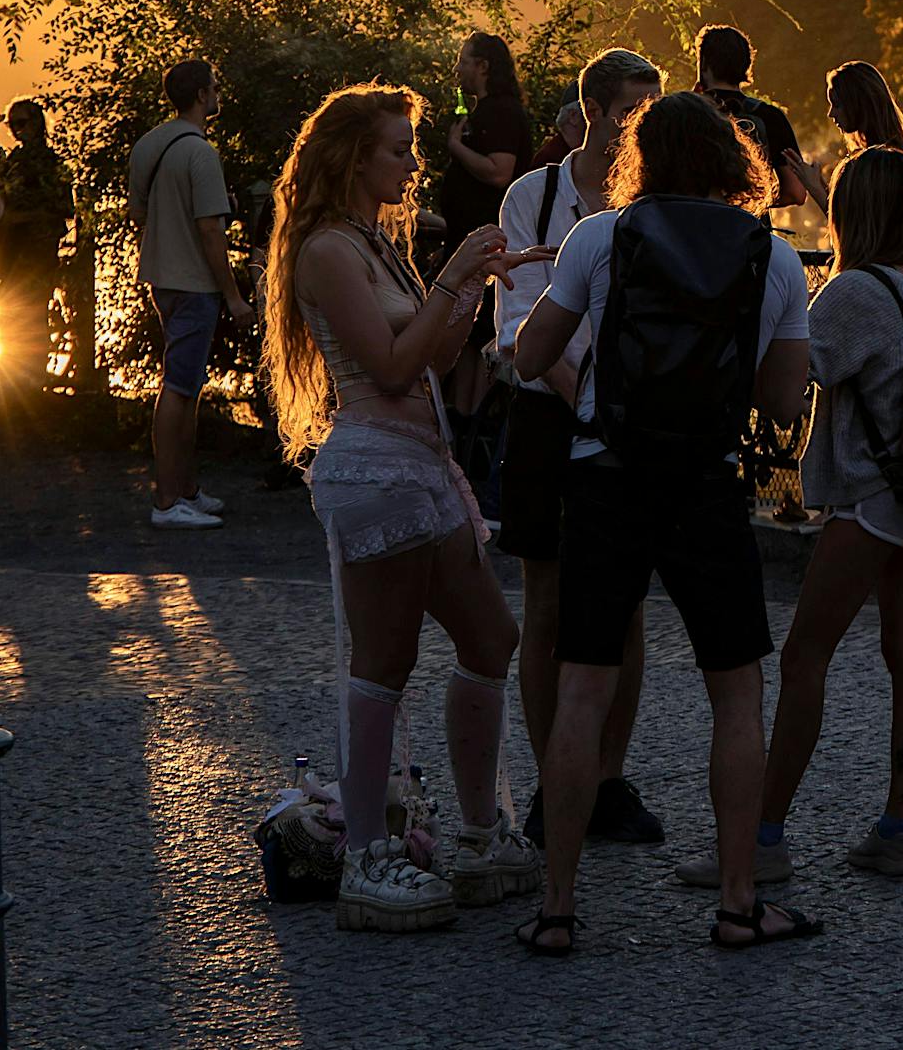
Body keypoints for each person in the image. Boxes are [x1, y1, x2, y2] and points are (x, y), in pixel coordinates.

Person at [512, 91, 819, 953]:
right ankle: (736, 904)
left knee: (582, 689)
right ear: (731, 158)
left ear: (636, 155)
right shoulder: (775, 257)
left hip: (605, 477)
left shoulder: (599, 237)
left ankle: (559, 909)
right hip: (706, 486)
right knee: (736, 694)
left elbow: (532, 358)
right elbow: (783, 403)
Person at [263, 83, 547, 931]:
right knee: (382, 663)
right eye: (399, 148)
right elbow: (389, 365)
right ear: (353, 156)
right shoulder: (326, 251)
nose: (413, 162)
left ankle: (474, 834)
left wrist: (471, 289)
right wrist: (454, 272)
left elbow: (434, 349)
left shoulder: (373, 242)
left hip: (424, 466)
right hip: (376, 470)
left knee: (492, 636)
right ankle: (367, 861)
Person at [745, 144, 903, 883]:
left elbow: (793, 377)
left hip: (869, 496)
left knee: (807, 657)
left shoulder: (853, 294)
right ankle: (895, 828)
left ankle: (764, 838)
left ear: (850, 213)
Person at [494, 49, 665, 849]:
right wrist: (588, 402)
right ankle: (548, 779)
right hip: (552, 414)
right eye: (628, 113)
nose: (638, 130)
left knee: (625, 606)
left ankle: (607, 778)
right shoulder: (535, 196)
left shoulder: (652, 199)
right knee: (550, 604)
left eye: (649, 115)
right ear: (588, 111)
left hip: (627, 417)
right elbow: (520, 326)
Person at [127, 60, 250, 529]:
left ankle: (186, 489)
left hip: (162, 280)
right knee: (178, 389)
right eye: (215, 88)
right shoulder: (201, 154)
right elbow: (210, 232)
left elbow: (139, 214)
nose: (218, 94)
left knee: (188, 385)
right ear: (201, 95)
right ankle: (166, 503)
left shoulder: (149, 145)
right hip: (196, 285)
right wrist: (234, 297)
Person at [439, 32, 532, 418]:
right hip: (470, 245)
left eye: (463, 59)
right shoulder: (484, 111)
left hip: (485, 249)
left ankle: (471, 424)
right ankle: (463, 422)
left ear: (483, 66)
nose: (457, 67)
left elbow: (499, 172)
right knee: (464, 333)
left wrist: (456, 147)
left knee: (476, 337)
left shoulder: (501, 112)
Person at [0, 99, 74, 386]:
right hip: (11, 251)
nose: (17, 130)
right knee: (11, 315)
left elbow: (65, 208)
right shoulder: (11, 162)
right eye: (12, 124)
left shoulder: (52, 163)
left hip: (37, 251)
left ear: (38, 123)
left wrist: (27, 216)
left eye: (22, 123)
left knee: (31, 314)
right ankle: (13, 379)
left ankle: (31, 379)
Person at [695, 23, 807, 211]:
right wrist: (753, 202)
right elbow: (795, 192)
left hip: (694, 229)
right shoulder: (770, 117)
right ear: (746, 65)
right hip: (750, 232)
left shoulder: (684, 114)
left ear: (704, 64)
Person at [783, 60, 903, 215]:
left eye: (837, 104)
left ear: (857, 104)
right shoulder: (896, 158)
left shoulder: (881, 163)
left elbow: (854, 229)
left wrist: (815, 188)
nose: (831, 114)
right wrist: (822, 186)